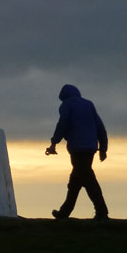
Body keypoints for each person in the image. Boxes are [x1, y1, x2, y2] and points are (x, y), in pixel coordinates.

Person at [46, 84, 109, 221]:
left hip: (78, 148)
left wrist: (54, 142)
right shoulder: (89, 104)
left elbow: (63, 123)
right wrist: (103, 148)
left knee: (87, 180)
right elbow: (100, 127)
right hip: (91, 148)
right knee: (77, 180)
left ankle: (102, 212)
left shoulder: (66, 105)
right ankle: (64, 213)